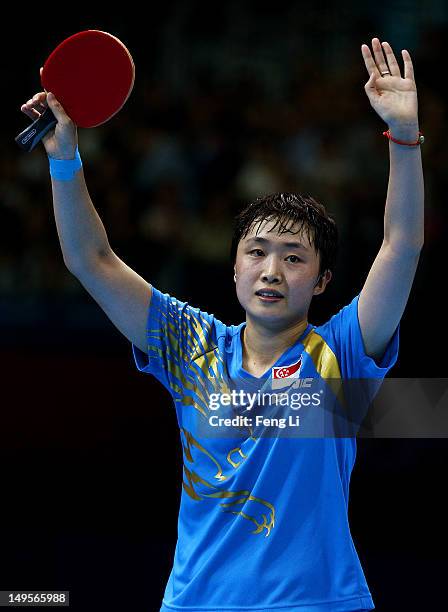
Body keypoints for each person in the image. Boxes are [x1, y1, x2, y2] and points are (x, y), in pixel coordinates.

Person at [21, 37, 423, 612]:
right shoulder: (192, 345)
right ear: (234, 267)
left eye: (293, 257)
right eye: (256, 253)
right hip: (196, 602)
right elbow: (92, 260)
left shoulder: (342, 354)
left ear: (323, 280)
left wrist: (404, 137)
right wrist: (65, 158)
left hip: (317, 604)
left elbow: (402, 243)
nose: (271, 271)